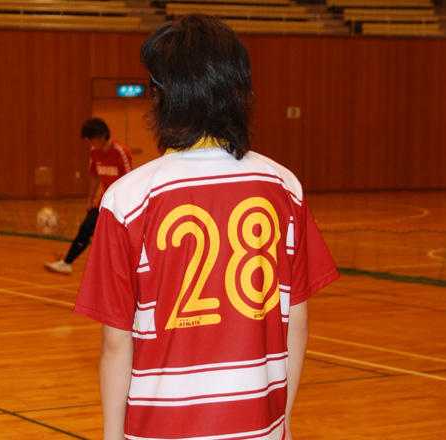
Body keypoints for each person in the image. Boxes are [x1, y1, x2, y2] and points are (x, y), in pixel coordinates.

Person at [73, 14, 339, 440]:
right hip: (260, 427)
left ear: (161, 97)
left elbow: (116, 343)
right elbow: (297, 320)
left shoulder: (127, 200)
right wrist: (283, 423)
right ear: (237, 91)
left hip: (161, 429)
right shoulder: (285, 186)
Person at [44, 117, 132, 275]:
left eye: (92, 140)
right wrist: (90, 200)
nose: (91, 144)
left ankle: (120, 269)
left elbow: (130, 180)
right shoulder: (94, 152)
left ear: (102, 135)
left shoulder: (120, 152)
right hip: (105, 201)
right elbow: (95, 176)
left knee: (110, 238)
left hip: (121, 204)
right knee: (86, 227)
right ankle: (67, 263)